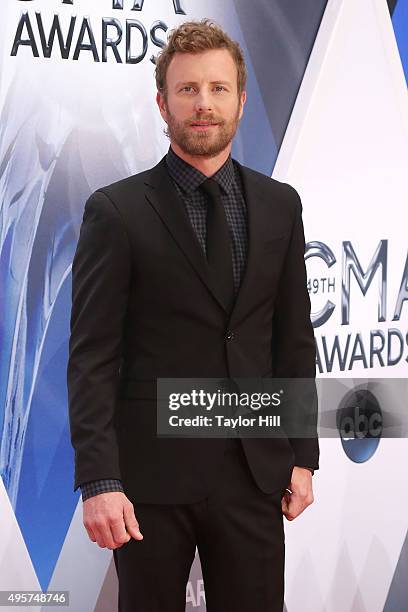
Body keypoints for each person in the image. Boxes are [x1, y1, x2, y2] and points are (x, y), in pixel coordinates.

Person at [67, 18, 319, 612]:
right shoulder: (117, 211)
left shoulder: (280, 205)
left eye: (218, 88)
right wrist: (100, 481)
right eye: (187, 90)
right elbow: (92, 358)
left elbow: (293, 341)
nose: (204, 104)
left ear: (241, 99)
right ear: (162, 102)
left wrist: (303, 455)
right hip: (150, 482)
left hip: (254, 473)